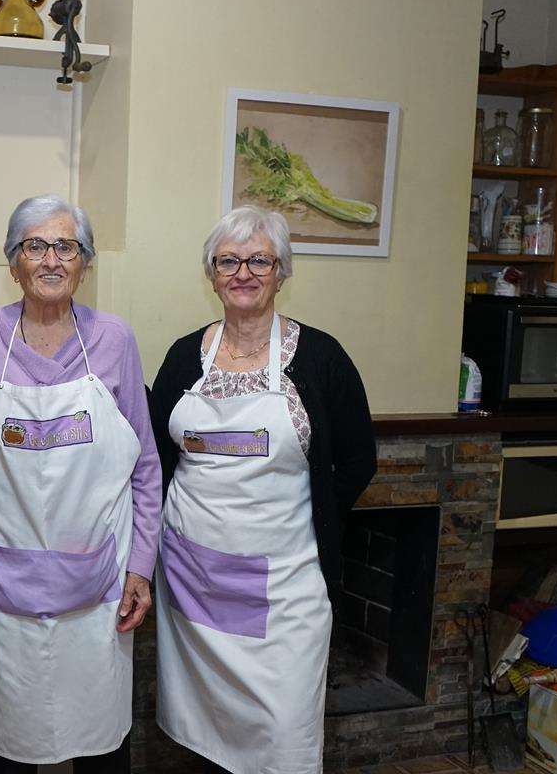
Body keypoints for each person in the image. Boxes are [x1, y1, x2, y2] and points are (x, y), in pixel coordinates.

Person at [0, 194, 161, 773]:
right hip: (12, 584)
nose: (51, 259)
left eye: (65, 246)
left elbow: (145, 466)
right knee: (10, 738)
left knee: (102, 739)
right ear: (13, 261)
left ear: (85, 262)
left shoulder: (115, 340)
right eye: (35, 246)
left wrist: (141, 568)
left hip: (101, 585)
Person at [149, 205, 377, 774]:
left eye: (258, 260)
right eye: (228, 261)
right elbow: (155, 456)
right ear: (211, 273)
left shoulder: (321, 358)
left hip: (286, 590)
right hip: (194, 582)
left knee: (283, 733)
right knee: (206, 731)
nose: (242, 273)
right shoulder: (184, 355)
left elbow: (357, 459)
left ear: (282, 271)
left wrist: (310, 517)